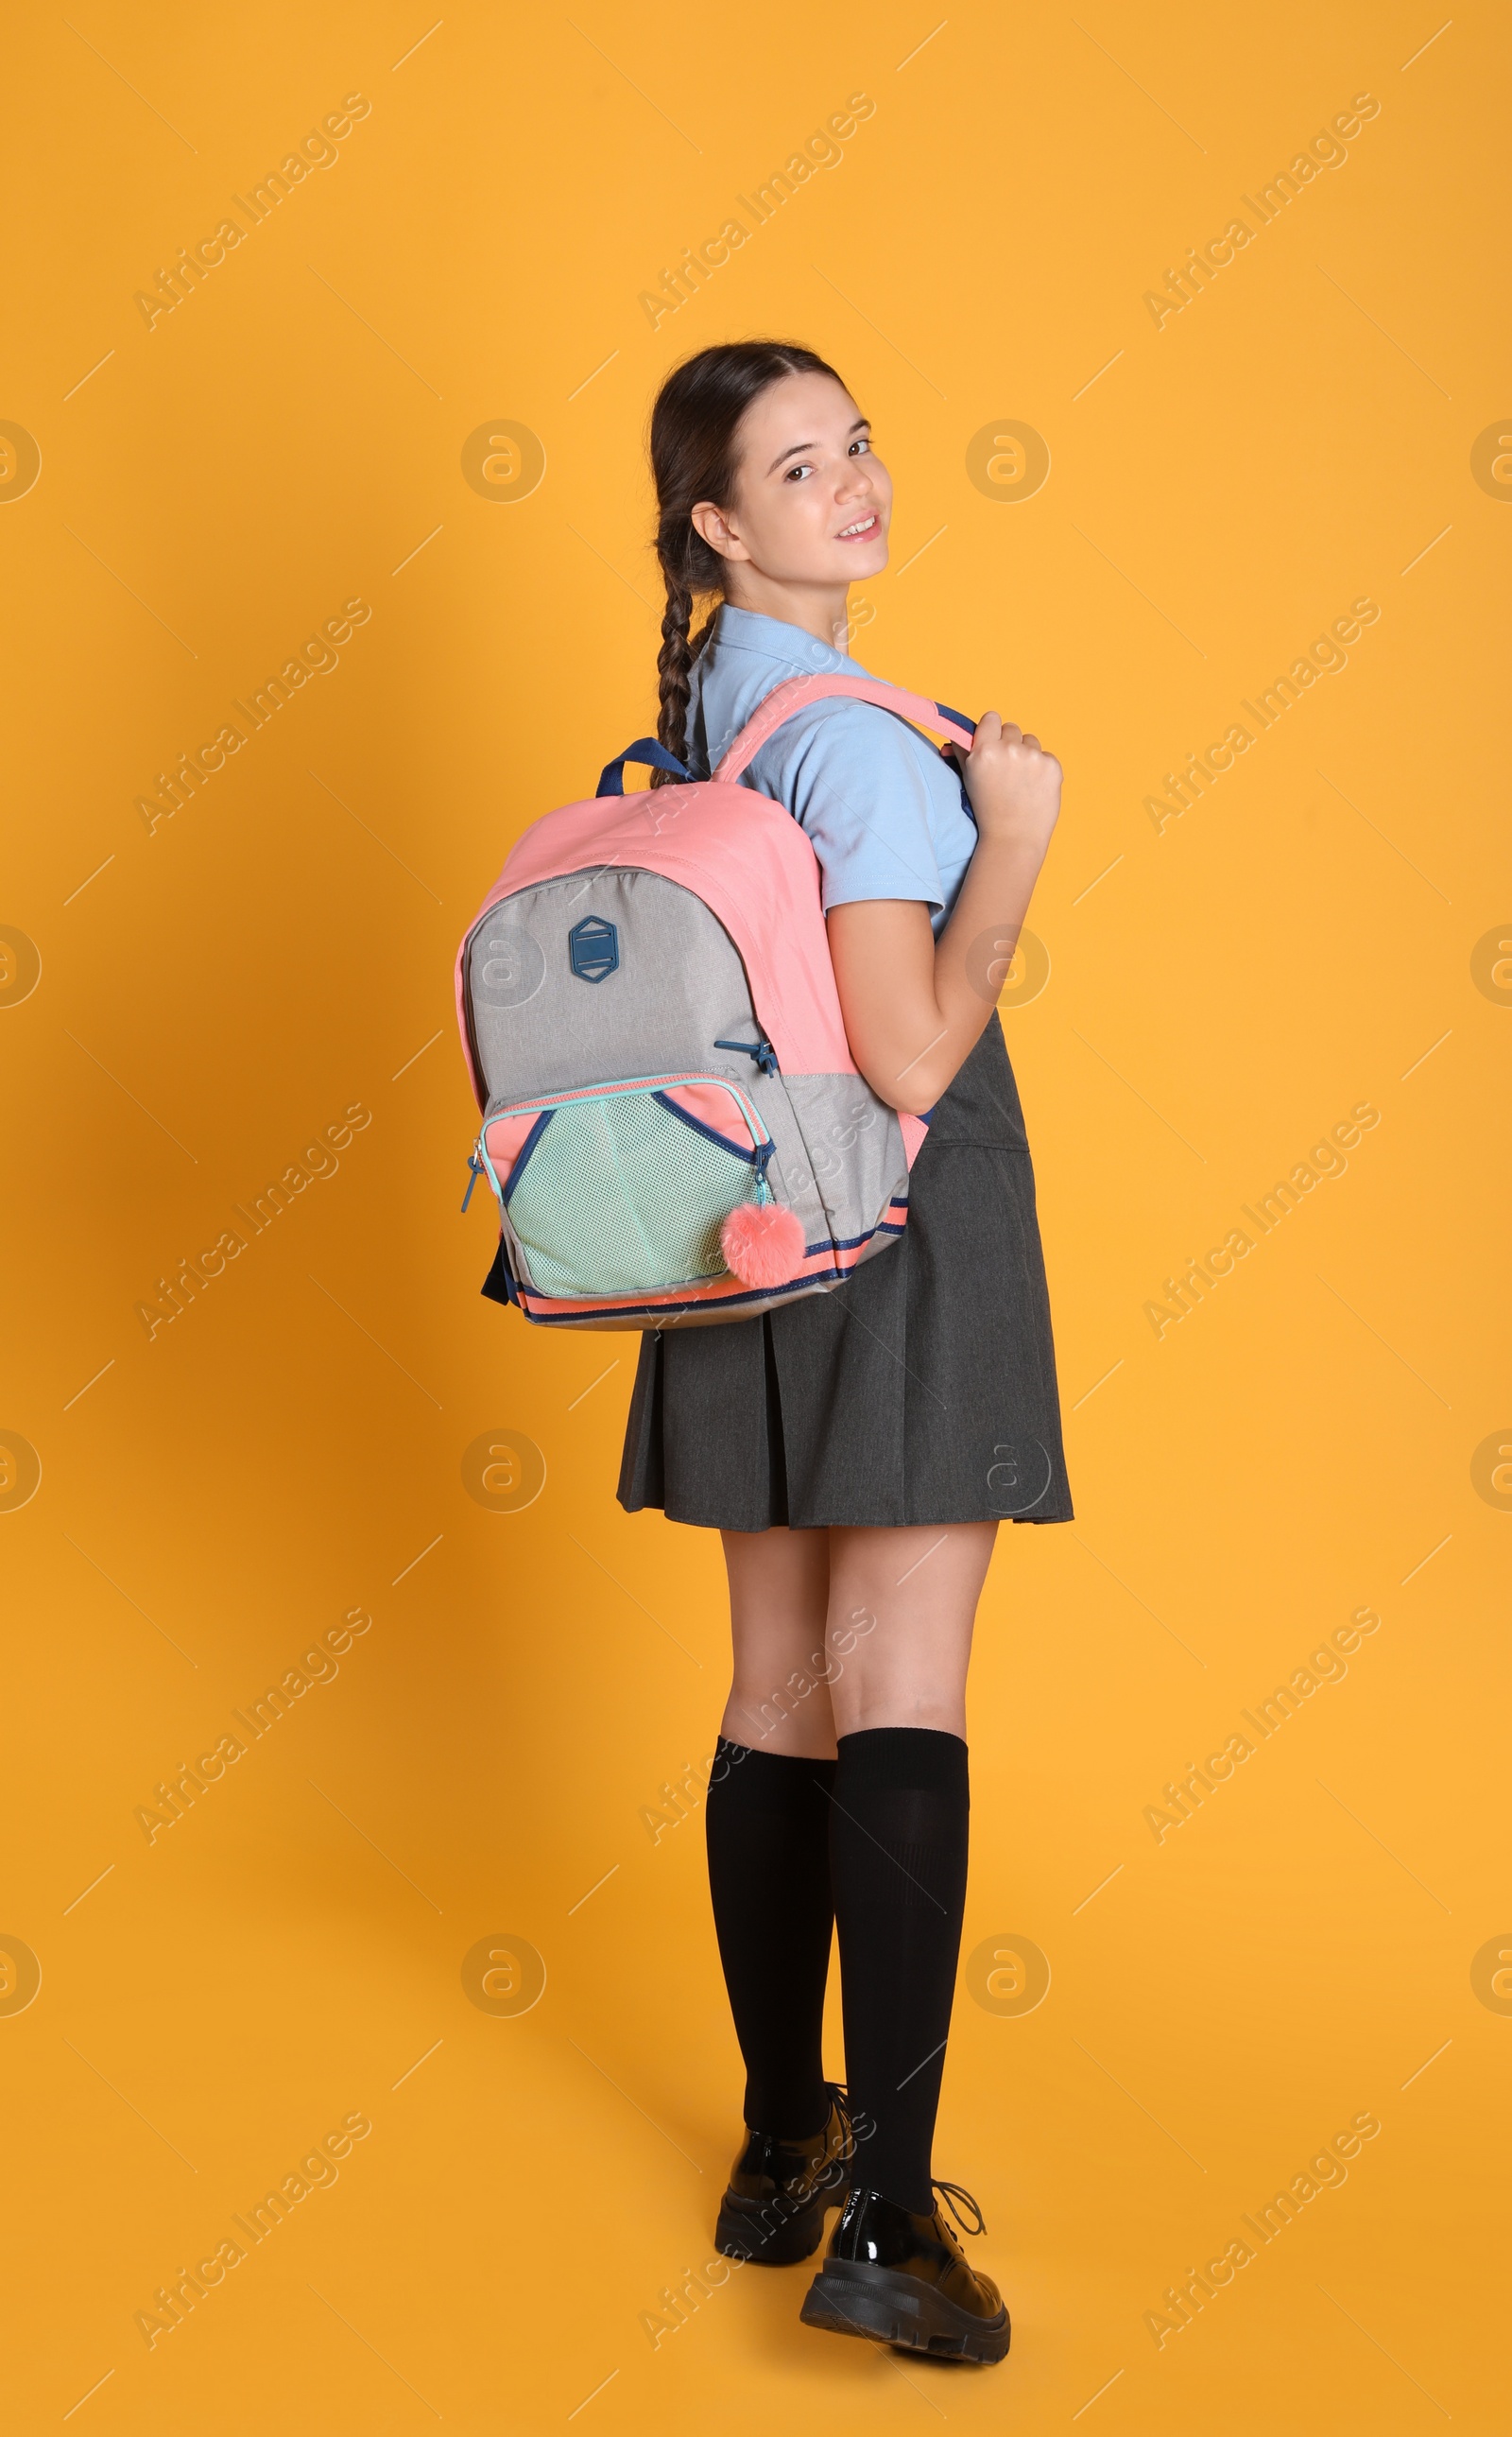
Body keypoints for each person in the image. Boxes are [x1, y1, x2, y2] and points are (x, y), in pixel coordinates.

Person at [617, 340, 1072, 2365]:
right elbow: (904, 1048)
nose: (857, 481)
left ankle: (775, 2139)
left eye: (858, 441)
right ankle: (889, 2215)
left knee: (771, 1683)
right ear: (719, 523)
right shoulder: (870, 746)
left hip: (739, 1216)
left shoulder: (711, 706)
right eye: (801, 467)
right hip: (888, 1195)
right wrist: (1017, 846)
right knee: (901, 1685)